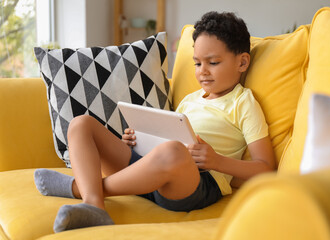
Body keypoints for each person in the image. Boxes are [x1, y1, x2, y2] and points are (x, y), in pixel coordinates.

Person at [34, 11, 275, 233]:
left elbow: (266, 167)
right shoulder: (190, 100)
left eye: (213, 63)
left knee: (174, 151)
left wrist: (217, 161)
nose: (202, 71)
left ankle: (80, 188)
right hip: (151, 170)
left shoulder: (244, 103)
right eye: (197, 63)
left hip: (195, 183)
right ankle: (94, 205)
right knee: (81, 124)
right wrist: (135, 142)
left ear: (242, 63)